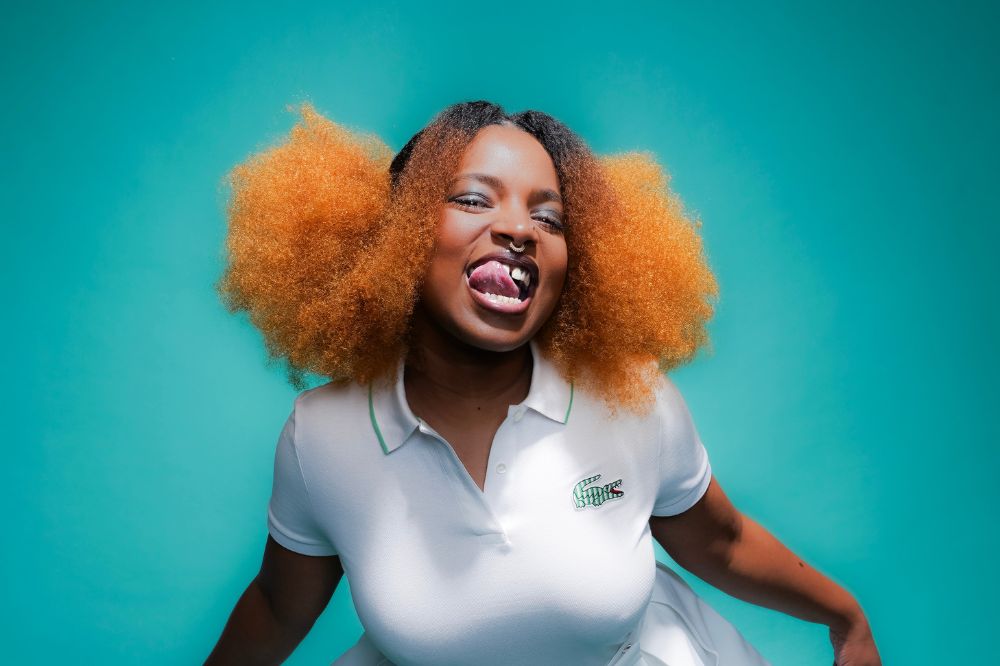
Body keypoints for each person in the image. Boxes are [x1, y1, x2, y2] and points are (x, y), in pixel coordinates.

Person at [205, 101, 881, 665]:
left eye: (549, 217)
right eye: (474, 198)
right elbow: (277, 603)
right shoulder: (323, 436)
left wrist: (844, 615)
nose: (518, 229)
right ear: (397, 236)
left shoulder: (633, 399)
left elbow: (722, 540)